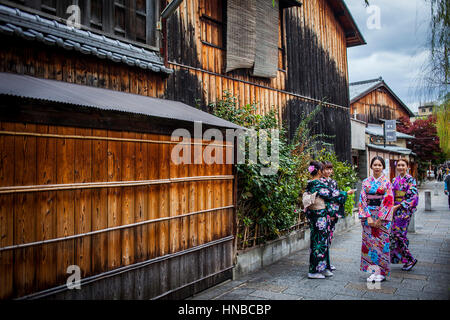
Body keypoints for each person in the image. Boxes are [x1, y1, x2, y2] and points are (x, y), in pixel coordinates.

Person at [304, 161, 355, 279]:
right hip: (318, 216)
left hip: (320, 215)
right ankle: (314, 271)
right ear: (319, 171)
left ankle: (324, 267)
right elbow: (332, 194)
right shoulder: (316, 183)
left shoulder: (313, 182)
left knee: (324, 242)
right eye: (323, 169)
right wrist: (346, 193)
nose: (325, 171)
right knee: (319, 243)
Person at [358, 156, 394, 282]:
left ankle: (382, 272)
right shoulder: (365, 182)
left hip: (382, 216)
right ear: (371, 166)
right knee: (370, 244)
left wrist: (380, 219)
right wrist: (367, 217)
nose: (377, 167)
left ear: (383, 167)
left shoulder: (387, 183)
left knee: (382, 244)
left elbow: (388, 201)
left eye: (379, 165)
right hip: (368, 216)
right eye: (375, 165)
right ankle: (373, 271)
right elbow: (362, 201)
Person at [390, 159, 419, 271]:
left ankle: (410, 259)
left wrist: (397, 206)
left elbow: (413, 198)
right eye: (399, 165)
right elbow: (390, 194)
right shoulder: (394, 180)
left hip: (403, 211)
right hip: (394, 210)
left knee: (399, 235)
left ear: (407, 167)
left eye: (403, 165)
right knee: (396, 235)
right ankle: (404, 260)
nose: (401, 167)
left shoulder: (411, 180)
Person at [320, 161, 344, 271]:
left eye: (330, 169)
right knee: (323, 239)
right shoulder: (320, 182)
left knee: (329, 238)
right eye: (326, 169)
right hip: (323, 212)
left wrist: (335, 213)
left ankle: (327, 262)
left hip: (333, 214)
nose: (328, 171)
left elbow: (337, 198)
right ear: (321, 170)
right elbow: (328, 198)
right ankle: (323, 263)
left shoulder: (333, 182)